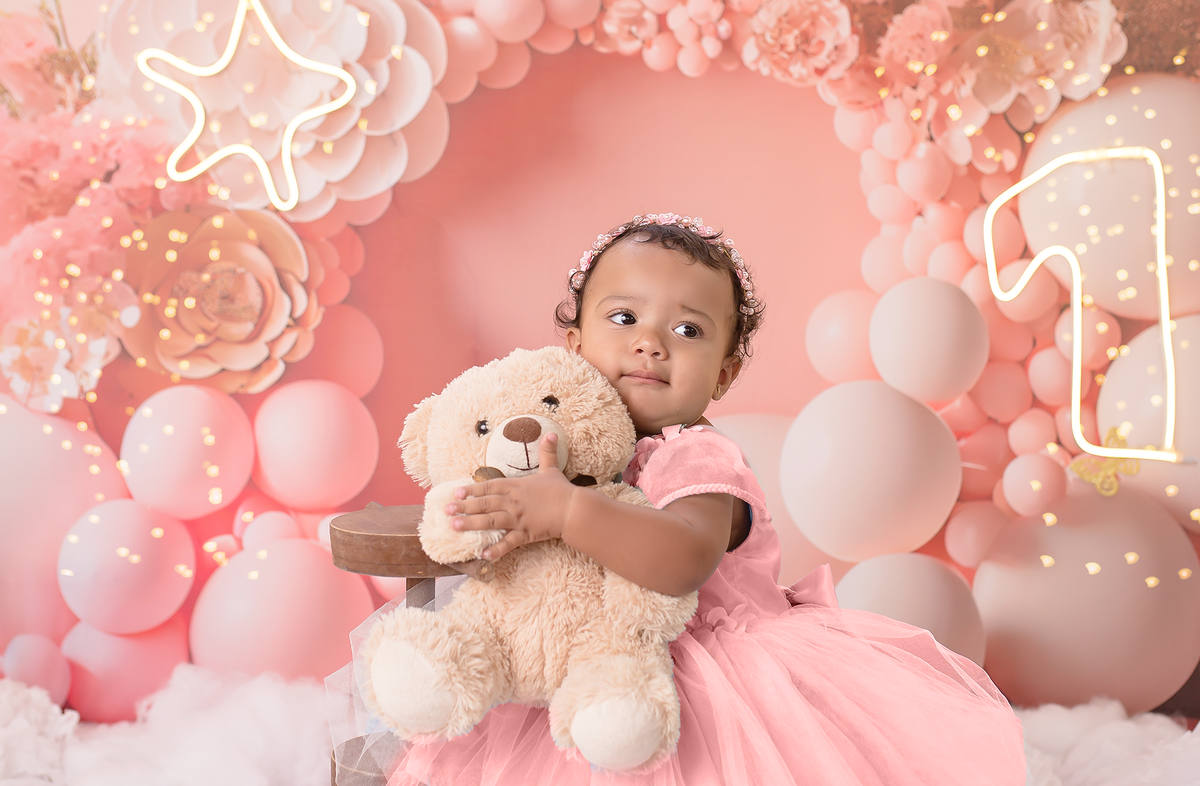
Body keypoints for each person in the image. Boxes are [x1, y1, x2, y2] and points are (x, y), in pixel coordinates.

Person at [346, 213, 1027, 785]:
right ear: (574, 345)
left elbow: (681, 560)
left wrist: (566, 511)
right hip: (578, 655)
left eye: (689, 331)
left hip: (704, 672)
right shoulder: (562, 446)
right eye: (624, 317)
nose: (650, 343)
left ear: (724, 373)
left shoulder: (696, 454)